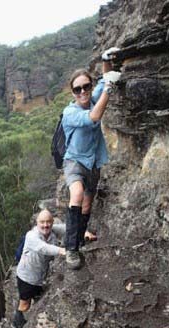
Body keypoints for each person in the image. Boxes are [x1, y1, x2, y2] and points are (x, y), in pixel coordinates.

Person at [62, 47, 121, 270]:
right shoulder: (70, 113)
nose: (83, 92)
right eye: (78, 89)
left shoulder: (93, 96)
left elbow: (104, 79)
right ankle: (71, 249)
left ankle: (78, 239)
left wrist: (106, 61)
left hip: (93, 162)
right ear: (72, 92)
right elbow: (95, 116)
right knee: (76, 194)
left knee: (87, 205)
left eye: (86, 86)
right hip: (75, 162)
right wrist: (109, 87)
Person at [12, 209, 66, 328]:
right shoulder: (31, 236)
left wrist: (84, 231)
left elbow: (66, 228)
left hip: (39, 277)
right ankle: (17, 324)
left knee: (37, 297)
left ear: (52, 222)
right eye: (42, 222)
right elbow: (43, 248)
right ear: (37, 223)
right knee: (25, 303)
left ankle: (29, 318)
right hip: (27, 277)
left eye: (48, 222)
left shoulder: (52, 230)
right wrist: (61, 250)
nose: (45, 225)